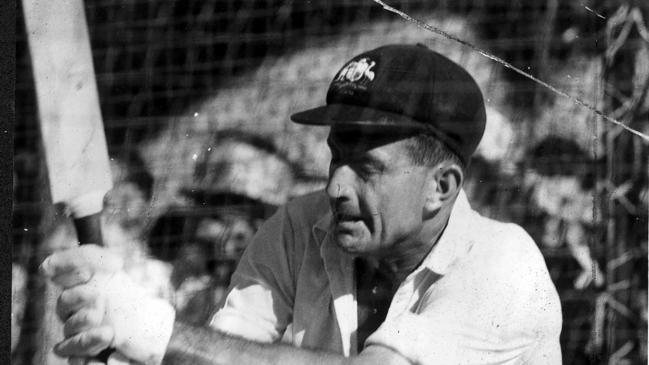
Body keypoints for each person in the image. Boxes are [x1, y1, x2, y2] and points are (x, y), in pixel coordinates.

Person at [40, 44, 562, 365]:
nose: (336, 186)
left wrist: (151, 329)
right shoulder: (300, 226)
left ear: (441, 188)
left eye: (367, 168)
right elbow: (218, 354)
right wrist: (114, 326)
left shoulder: (502, 266)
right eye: (337, 156)